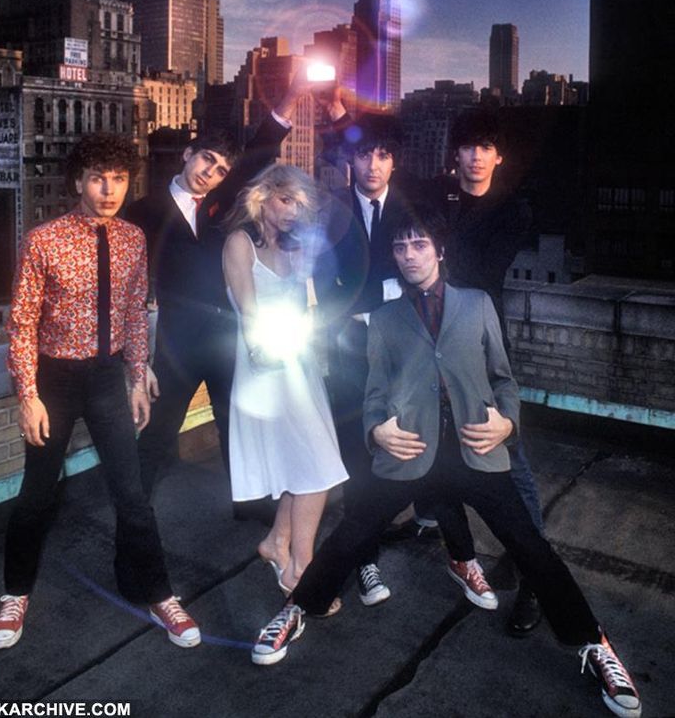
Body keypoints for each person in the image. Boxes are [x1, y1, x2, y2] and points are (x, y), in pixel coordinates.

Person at [250, 210, 642, 718]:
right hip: (408, 451)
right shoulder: (386, 319)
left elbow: (504, 378)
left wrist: (508, 422)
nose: (410, 254)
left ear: (439, 252)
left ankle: (595, 645)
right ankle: (296, 610)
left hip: (475, 450)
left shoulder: (476, 305)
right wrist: (375, 430)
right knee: (350, 534)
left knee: (530, 546)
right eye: (401, 247)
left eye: (420, 244)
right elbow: (374, 391)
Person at [0, 133, 200, 651]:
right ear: (78, 182)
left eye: (119, 178)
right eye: (98, 178)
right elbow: (20, 324)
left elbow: (133, 313)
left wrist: (136, 374)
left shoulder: (132, 238)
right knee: (37, 495)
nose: (110, 189)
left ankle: (158, 592)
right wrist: (28, 395)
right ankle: (14, 593)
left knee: (131, 495)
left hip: (106, 378)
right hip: (54, 379)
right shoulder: (44, 240)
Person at [126, 74, 307, 498]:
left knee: (236, 425)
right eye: (207, 159)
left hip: (227, 336)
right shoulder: (144, 210)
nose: (211, 172)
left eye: (221, 169)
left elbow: (260, 152)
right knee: (158, 429)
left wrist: (293, 95)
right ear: (189, 154)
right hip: (175, 342)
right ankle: (133, 506)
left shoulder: (221, 203)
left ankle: (250, 504)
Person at [419, 108, 543, 634]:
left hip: (482, 350)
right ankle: (460, 553)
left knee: (508, 462)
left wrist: (435, 245)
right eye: (466, 146)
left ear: (498, 156)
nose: (474, 156)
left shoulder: (512, 209)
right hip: (430, 343)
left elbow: (476, 271)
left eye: (484, 147)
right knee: (440, 453)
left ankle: (534, 577)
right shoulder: (436, 199)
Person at [223, 164, 347, 597]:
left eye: (299, 203)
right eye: (284, 199)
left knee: (307, 465)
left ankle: (277, 542)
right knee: (317, 467)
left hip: (300, 364)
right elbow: (250, 316)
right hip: (266, 369)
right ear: (262, 197)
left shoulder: (296, 250)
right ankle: (301, 565)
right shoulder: (240, 244)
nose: (293, 211)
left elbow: (307, 307)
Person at [315, 108, 413, 609]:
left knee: (397, 449)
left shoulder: (411, 210)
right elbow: (320, 280)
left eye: (383, 154)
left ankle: (446, 545)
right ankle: (365, 559)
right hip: (349, 351)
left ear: (394, 161)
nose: (373, 165)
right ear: (349, 159)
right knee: (357, 453)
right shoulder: (332, 212)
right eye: (363, 154)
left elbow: (424, 275)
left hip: (401, 351)